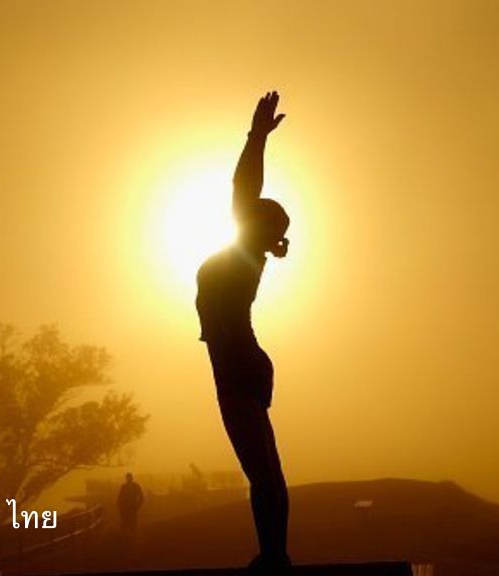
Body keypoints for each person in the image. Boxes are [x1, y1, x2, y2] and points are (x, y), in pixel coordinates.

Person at [195, 90, 291, 573]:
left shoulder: (243, 257)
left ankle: (274, 557)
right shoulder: (244, 255)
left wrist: (256, 139)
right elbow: (244, 193)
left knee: (263, 472)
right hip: (241, 364)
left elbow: (243, 187)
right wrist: (256, 138)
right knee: (264, 471)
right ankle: (273, 555)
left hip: (237, 366)